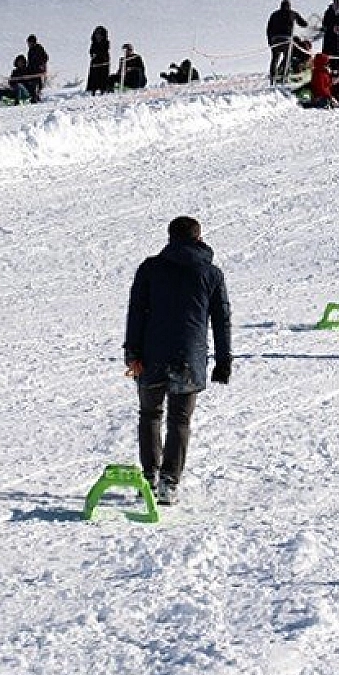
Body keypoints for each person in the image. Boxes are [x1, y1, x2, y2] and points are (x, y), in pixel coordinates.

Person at [122, 215, 232, 505]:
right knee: (180, 420)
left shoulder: (149, 269)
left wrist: (131, 353)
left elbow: (135, 313)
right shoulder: (211, 274)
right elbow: (222, 322)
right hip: (189, 358)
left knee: (150, 415)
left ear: (169, 237)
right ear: (199, 238)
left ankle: (149, 476)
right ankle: (169, 483)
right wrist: (223, 361)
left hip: (150, 356)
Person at [266, 0, 309, 83]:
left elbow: (268, 29)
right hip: (287, 39)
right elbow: (303, 23)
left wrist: (270, 42)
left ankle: (272, 78)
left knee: (275, 59)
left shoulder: (274, 14)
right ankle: (284, 78)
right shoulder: (292, 13)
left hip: (275, 40)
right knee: (287, 59)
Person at [21, 35, 48, 101]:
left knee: (36, 85)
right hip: (31, 71)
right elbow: (30, 61)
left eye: (29, 43)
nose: (28, 44)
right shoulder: (30, 50)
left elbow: (45, 57)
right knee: (31, 85)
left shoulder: (39, 48)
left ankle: (36, 97)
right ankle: (34, 97)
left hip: (38, 71)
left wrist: (41, 65)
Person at [87, 26, 113, 94]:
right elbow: (91, 50)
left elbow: (104, 51)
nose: (98, 36)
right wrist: (92, 54)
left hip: (103, 62)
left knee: (103, 76)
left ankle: (103, 88)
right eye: (96, 34)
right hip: (95, 62)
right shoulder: (93, 43)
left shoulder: (106, 43)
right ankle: (93, 88)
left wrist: (97, 54)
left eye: (99, 35)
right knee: (94, 76)